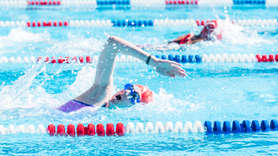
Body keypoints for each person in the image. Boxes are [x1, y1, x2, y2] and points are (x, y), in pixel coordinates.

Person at [58, 36, 186, 113]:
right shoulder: (101, 94)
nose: (126, 93)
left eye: (134, 96)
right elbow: (112, 43)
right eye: (129, 88)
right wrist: (154, 62)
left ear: (133, 107)